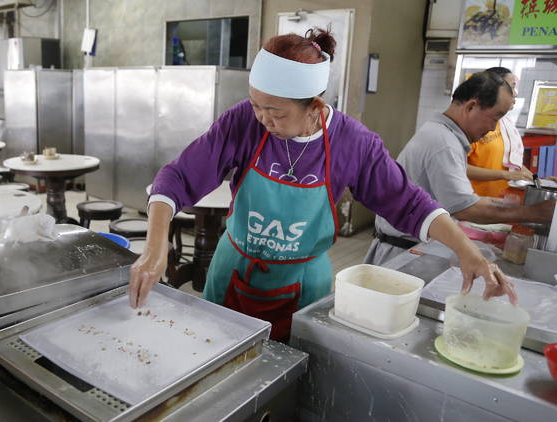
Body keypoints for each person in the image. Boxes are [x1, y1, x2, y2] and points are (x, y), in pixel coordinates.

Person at [132, 29, 516, 342]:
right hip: (234, 270)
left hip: (302, 284)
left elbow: (410, 203)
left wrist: (469, 252)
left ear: (314, 108)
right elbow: (178, 176)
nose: (262, 119)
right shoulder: (243, 123)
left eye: (276, 112)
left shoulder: (354, 142)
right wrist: (155, 246)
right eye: (255, 105)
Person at [366, 72, 555, 266]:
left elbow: (463, 201)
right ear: (471, 106)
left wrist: (518, 208)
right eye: (495, 118)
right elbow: (467, 208)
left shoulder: (445, 135)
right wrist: (537, 213)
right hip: (403, 254)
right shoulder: (443, 142)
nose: (493, 128)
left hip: (414, 247)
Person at [467, 67, 531, 197]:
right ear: (495, 89)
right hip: (474, 203)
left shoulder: (505, 125)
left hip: (501, 202)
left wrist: (539, 181)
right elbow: (457, 167)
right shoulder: (473, 125)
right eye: (512, 87)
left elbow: (512, 164)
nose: (515, 93)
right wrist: (504, 175)